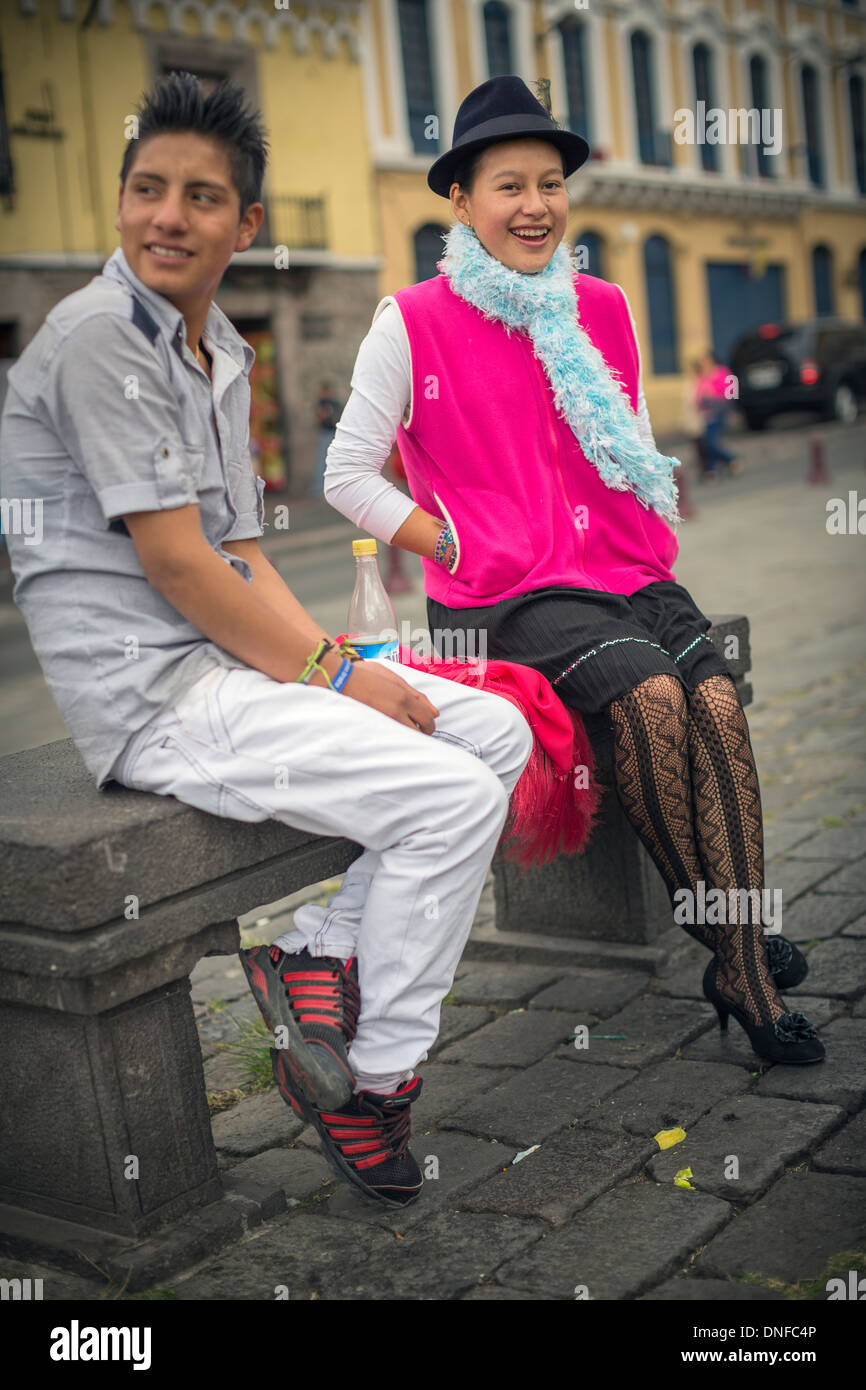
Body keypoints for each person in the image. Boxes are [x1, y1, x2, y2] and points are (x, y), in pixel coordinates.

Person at [0, 71, 534, 1208]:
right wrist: (342, 672)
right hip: (158, 701)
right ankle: (370, 1083)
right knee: (448, 799)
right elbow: (180, 564)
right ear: (120, 200)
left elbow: (241, 556)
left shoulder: (221, 352)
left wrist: (346, 675)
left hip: (230, 670)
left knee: (490, 724)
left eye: (200, 197)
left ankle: (317, 952)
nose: (165, 217)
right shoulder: (99, 337)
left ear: (245, 224)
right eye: (147, 189)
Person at [324, 76, 824, 1066]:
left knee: (714, 701)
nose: (533, 205)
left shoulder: (600, 305)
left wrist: (643, 525)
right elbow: (345, 471)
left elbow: (632, 436)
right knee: (647, 698)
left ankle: (737, 937)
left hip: (623, 570)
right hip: (509, 593)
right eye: (506, 185)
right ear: (460, 202)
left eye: (548, 183)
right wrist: (448, 541)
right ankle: (738, 960)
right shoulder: (411, 320)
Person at [697, 350, 742, 478]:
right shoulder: (702, 376)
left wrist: (715, 397)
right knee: (707, 442)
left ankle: (730, 460)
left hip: (719, 412)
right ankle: (713, 469)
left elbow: (732, 392)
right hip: (706, 414)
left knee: (710, 441)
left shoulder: (722, 372)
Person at [309, 380, 342, 497]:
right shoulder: (321, 403)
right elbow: (318, 417)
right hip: (325, 433)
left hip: (334, 432)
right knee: (322, 459)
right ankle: (319, 487)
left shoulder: (334, 403)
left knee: (336, 460)